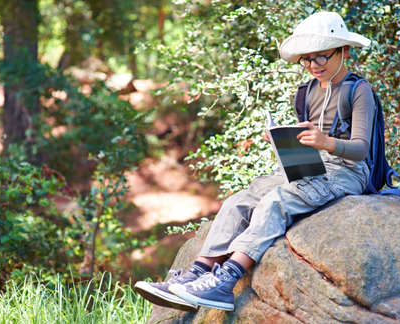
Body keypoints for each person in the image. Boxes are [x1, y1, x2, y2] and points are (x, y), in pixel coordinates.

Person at [134, 11, 374, 312]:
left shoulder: (358, 90)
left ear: (344, 51)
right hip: (311, 165)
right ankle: (197, 272)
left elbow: (361, 149)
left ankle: (225, 280)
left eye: (322, 57)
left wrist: (327, 142)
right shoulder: (308, 91)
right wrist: (284, 139)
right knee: (239, 200)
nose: (314, 66)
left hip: (346, 172)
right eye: (307, 59)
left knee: (277, 200)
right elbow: (309, 136)